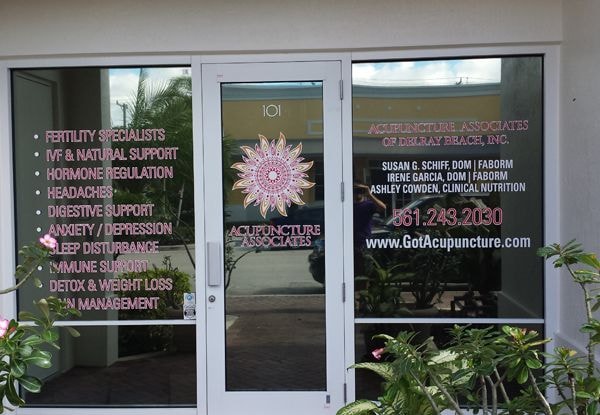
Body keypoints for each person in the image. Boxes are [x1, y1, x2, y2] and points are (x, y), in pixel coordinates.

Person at [353, 183, 386, 276]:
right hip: (351, 243)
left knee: (367, 271)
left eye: (360, 190)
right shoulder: (347, 205)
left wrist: (369, 194)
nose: (358, 193)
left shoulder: (368, 204)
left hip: (365, 243)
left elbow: (383, 208)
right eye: (355, 190)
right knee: (354, 272)